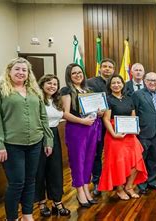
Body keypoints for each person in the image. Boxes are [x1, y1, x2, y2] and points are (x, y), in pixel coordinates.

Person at [0, 58, 53, 221]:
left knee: (30, 181)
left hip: (35, 142)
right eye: (17, 69)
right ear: (9, 71)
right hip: (11, 145)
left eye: (24, 70)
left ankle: (27, 215)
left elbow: (43, 116)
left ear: (29, 73)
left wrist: (48, 139)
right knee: (16, 183)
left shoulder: (34, 91)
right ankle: (12, 218)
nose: (21, 72)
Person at [98, 74, 148, 200]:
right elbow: (106, 119)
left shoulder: (128, 98)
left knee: (137, 160)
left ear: (122, 84)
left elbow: (133, 116)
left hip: (129, 135)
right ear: (110, 85)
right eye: (113, 83)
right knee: (118, 162)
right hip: (114, 134)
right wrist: (114, 134)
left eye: (118, 82)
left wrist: (136, 128)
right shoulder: (108, 100)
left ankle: (129, 186)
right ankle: (119, 189)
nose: (116, 85)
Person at [61, 63, 102, 208]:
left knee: (89, 159)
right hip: (77, 128)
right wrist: (82, 121)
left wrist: (99, 112)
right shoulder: (66, 90)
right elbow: (65, 113)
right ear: (69, 76)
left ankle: (86, 186)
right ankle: (79, 190)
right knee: (78, 160)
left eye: (79, 72)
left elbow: (96, 110)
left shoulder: (88, 90)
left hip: (92, 128)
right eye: (74, 73)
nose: (77, 75)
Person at [35, 74, 70, 217]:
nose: (52, 86)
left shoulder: (56, 101)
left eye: (55, 84)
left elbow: (62, 115)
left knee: (55, 170)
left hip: (54, 135)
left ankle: (57, 201)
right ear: (42, 84)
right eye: (49, 83)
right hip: (40, 136)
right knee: (39, 170)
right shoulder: (36, 100)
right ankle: (41, 203)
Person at [132, 72, 156, 194]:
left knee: (155, 159)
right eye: (150, 80)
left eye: (155, 80)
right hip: (143, 133)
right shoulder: (137, 95)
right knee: (143, 160)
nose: (152, 83)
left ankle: (152, 182)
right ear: (145, 81)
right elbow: (133, 113)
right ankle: (142, 185)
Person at [87, 58, 115, 196]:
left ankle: (115, 181)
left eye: (110, 67)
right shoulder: (90, 83)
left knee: (113, 154)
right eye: (105, 66)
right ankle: (97, 182)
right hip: (97, 125)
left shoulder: (117, 83)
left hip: (113, 125)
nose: (107, 69)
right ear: (100, 68)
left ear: (114, 70)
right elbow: (85, 102)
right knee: (96, 154)